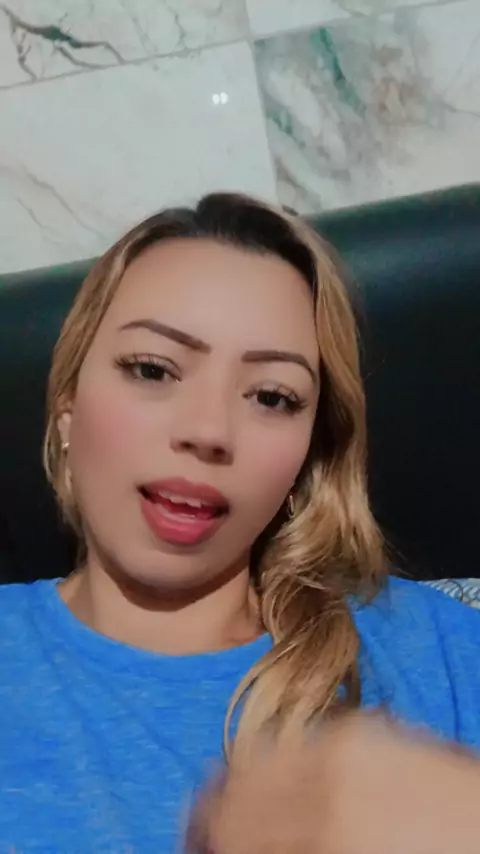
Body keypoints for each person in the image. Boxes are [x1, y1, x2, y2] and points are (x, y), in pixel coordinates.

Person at [0, 192, 479, 853]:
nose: (208, 431)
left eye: (272, 397)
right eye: (152, 369)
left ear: (307, 455)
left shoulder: (442, 649)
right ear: (67, 407)